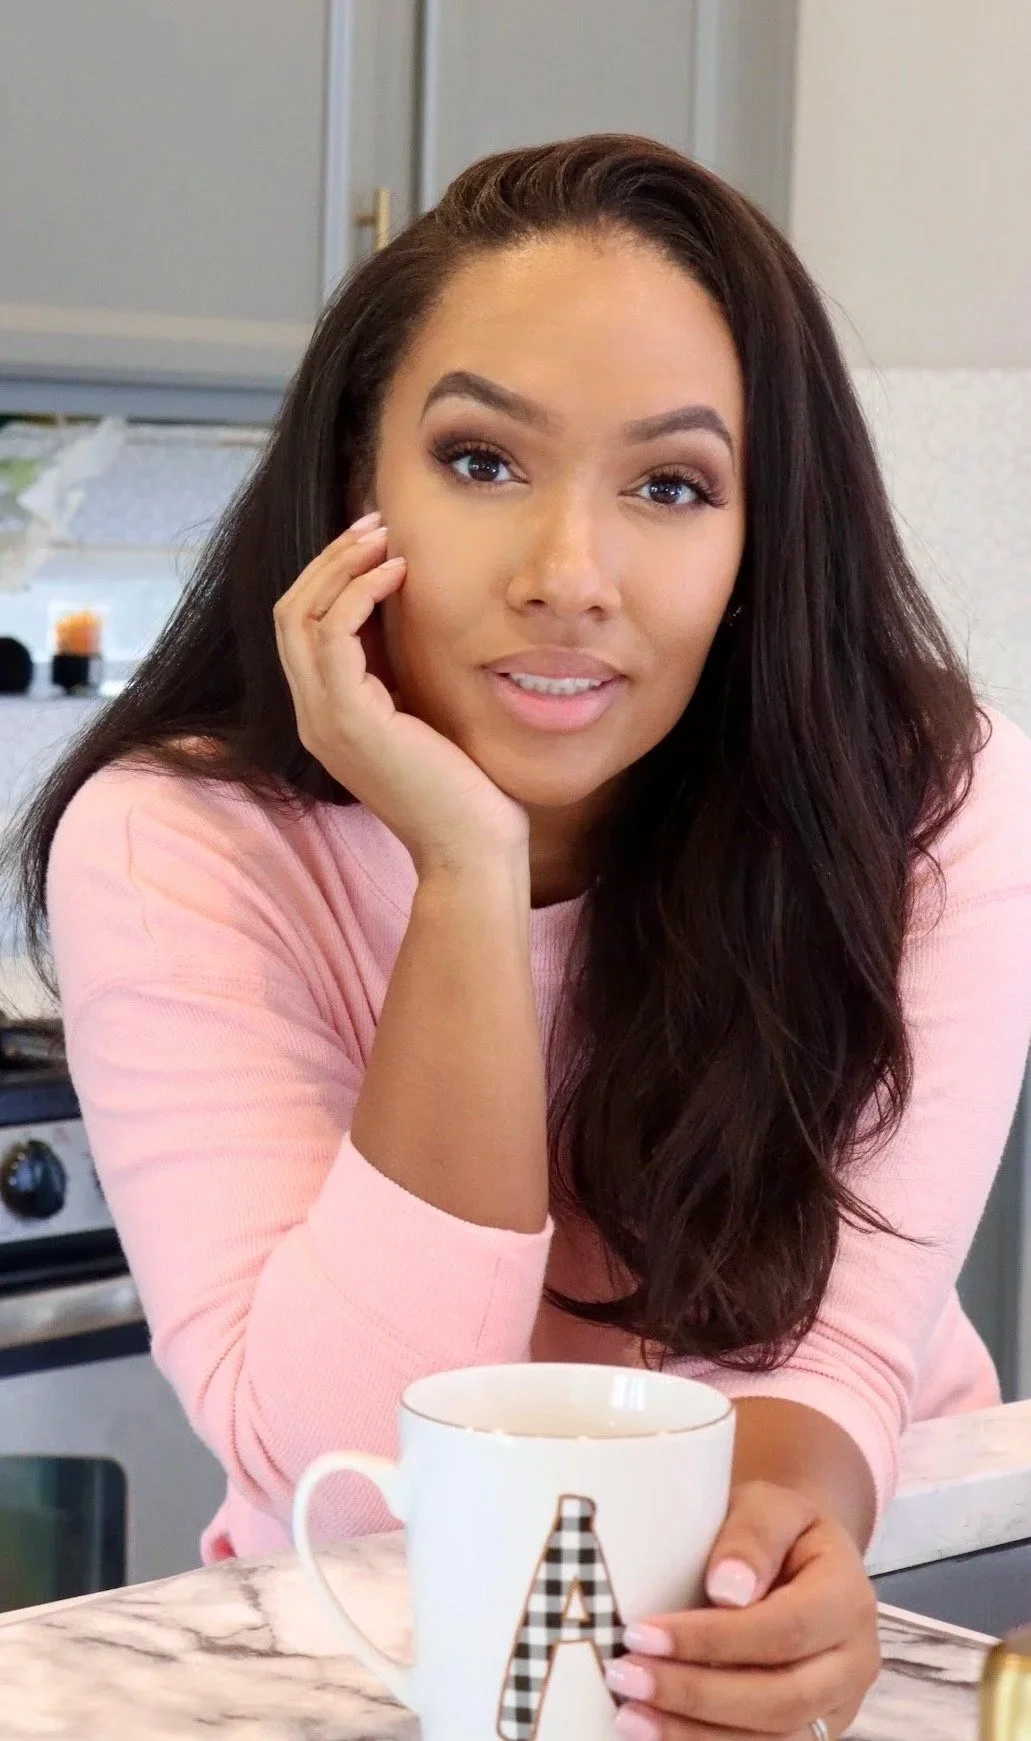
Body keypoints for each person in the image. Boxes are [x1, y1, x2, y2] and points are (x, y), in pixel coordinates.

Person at [8, 134, 1031, 1741]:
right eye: (484, 461)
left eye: (672, 487)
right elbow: (360, 1474)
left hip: (837, 1599)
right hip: (369, 1662)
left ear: (761, 545)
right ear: (359, 480)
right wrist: (464, 878)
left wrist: (772, 1577)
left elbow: (834, 1351)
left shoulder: (928, 801)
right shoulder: (172, 840)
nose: (569, 576)